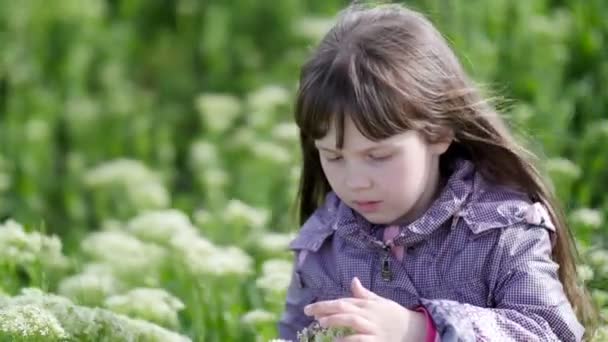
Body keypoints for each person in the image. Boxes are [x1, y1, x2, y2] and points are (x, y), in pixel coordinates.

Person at [277, 2, 598, 342]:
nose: (355, 182)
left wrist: (421, 330)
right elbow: (294, 335)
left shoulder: (500, 230)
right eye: (334, 157)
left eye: (378, 155)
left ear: (439, 132)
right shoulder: (326, 243)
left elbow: (552, 332)